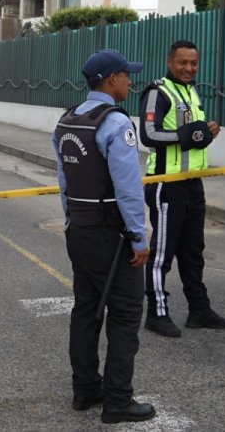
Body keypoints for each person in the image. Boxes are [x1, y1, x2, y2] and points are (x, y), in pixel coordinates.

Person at [53, 49, 155, 424]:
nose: (130, 80)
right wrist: (138, 237)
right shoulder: (114, 123)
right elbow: (128, 188)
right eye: (127, 75)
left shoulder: (67, 120)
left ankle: (85, 390)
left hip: (79, 229)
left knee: (86, 308)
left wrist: (70, 219)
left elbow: (64, 180)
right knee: (126, 313)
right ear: (112, 79)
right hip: (111, 234)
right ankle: (118, 401)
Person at [137, 39, 225, 338]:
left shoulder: (191, 91)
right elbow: (149, 135)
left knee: (194, 251)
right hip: (167, 184)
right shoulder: (157, 91)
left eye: (193, 63)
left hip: (193, 183)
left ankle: (199, 309)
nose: (189, 68)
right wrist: (188, 134)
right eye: (183, 63)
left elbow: (193, 136)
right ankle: (156, 313)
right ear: (169, 62)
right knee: (163, 253)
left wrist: (206, 133)